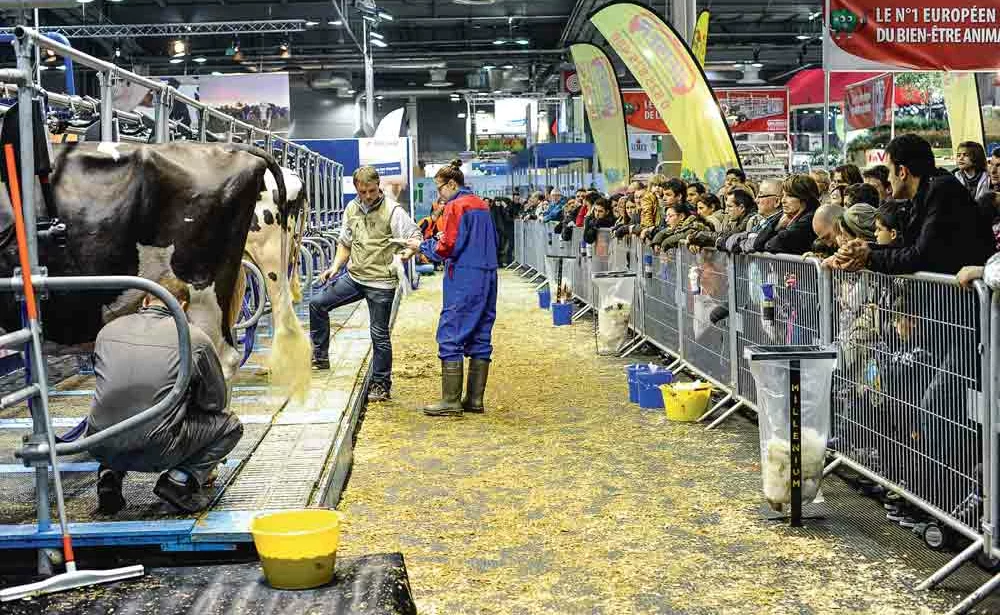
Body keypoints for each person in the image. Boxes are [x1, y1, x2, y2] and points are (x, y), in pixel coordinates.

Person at [87, 276, 241, 514]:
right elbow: (215, 402)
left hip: (98, 443)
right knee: (230, 426)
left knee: (118, 404)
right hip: (157, 450)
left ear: (146, 300)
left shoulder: (107, 330)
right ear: (183, 306)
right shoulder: (194, 338)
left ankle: (109, 477)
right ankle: (179, 481)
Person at [310, 166, 420, 403]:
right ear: (356, 189)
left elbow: (414, 239)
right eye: (363, 191)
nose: (368, 196)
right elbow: (345, 243)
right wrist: (335, 267)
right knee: (317, 304)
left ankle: (381, 384)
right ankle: (320, 357)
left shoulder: (393, 211)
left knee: (378, 334)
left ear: (378, 185)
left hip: (381, 282)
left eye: (372, 190)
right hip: (355, 277)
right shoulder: (352, 208)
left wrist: (404, 256)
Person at [829, 134, 994, 275]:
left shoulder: (942, 191)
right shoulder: (926, 193)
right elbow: (907, 246)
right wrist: (865, 249)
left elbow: (921, 255)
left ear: (902, 172)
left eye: (889, 172)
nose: (887, 180)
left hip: (963, 303)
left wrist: (868, 257)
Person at [410, 160, 498, 418]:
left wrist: (421, 248)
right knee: (481, 335)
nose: (439, 196)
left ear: (451, 184)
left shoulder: (456, 206)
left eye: (440, 189)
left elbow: (447, 246)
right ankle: (474, 399)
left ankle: (450, 400)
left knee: (451, 332)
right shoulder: (481, 204)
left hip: (464, 275)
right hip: (489, 274)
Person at [754, 174, 820, 255]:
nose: (783, 200)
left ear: (803, 198)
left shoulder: (810, 220)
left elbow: (771, 245)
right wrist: (778, 226)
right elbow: (757, 244)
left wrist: (778, 229)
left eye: (789, 196)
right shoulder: (786, 216)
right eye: (783, 195)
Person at [729, 178, 782, 253]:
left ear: (777, 201)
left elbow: (757, 244)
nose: (756, 200)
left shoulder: (781, 224)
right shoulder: (759, 221)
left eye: (761, 195)